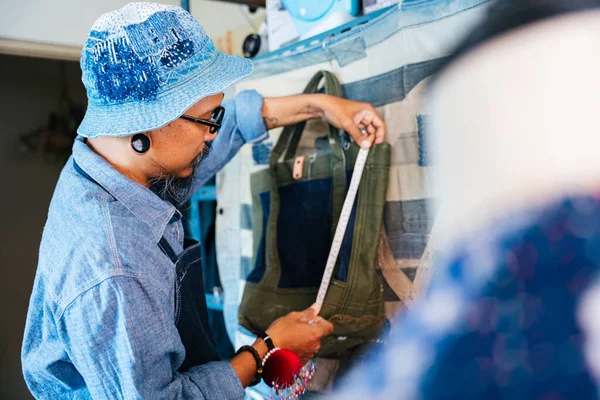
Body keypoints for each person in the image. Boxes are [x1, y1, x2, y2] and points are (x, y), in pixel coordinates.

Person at [20, 3, 386, 399]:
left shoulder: (109, 161)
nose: (214, 133)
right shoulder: (111, 268)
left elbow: (214, 133)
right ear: (147, 125)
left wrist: (317, 105)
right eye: (209, 119)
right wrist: (266, 349)